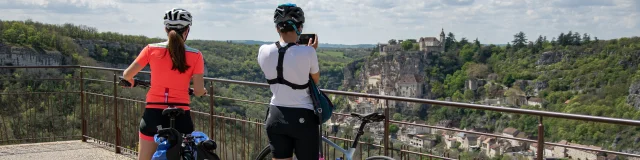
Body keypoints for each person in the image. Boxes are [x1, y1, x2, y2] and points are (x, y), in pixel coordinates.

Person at [121, 8, 207, 160]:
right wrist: (201, 91)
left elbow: (127, 74)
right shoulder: (196, 55)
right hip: (182, 115)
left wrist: (133, 82)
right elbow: (199, 90)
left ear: (166, 29)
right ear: (187, 30)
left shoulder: (151, 49)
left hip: (154, 114)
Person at [257, 3, 320, 160]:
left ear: (277, 28)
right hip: (302, 117)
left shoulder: (263, 50)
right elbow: (315, 80)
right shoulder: (308, 51)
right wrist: (310, 50)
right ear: (300, 28)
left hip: (275, 114)